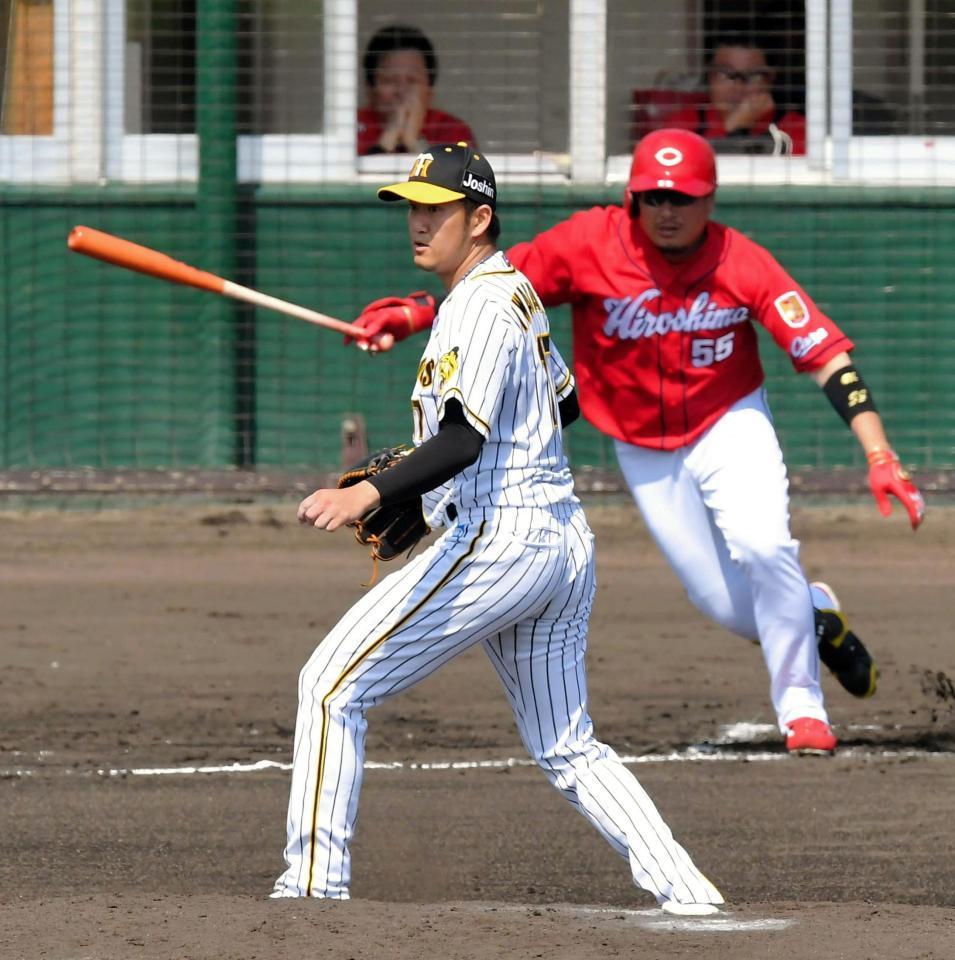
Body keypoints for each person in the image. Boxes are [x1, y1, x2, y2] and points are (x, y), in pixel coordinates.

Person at [347, 129, 926, 756]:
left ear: (710, 200)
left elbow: (825, 356)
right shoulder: (590, 244)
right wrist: (413, 315)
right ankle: (811, 616)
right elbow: (497, 287)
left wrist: (879, 454)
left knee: (764, 547)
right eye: (652, 197)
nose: (667, 211)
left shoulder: (739, 260)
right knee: (722, 602)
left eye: (682, 197)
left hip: (728, 419)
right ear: (631, 199)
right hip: (641, 443)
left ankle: (802, 710)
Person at [271, 142, 725, 916]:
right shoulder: (511, 293)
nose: (417, 224)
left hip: (500, 542)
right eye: (411, 209)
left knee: (329, 687)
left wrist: (370, 492)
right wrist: (436, 378)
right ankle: (688, 892)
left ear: (478, 218)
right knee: (567, 746)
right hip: (558, 543)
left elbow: (462, 443)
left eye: (434, 211)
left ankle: (313, 888)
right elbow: (562, 406)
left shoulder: (477, 306)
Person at [659, 37, 806, 156]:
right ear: (709, 76)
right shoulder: (682, 126)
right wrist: (734, 126)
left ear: (770, 79)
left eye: (753, 76)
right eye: (725, 74)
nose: (738, 87)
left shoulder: (796, 129)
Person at [358, 25, 476, 156]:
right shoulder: (352, 128)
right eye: (390, 80)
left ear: (430, 91)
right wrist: (387, 139)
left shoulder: (452, 129)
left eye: (412, 80)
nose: (401, 91)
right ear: (370, 91)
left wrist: (414, 142)